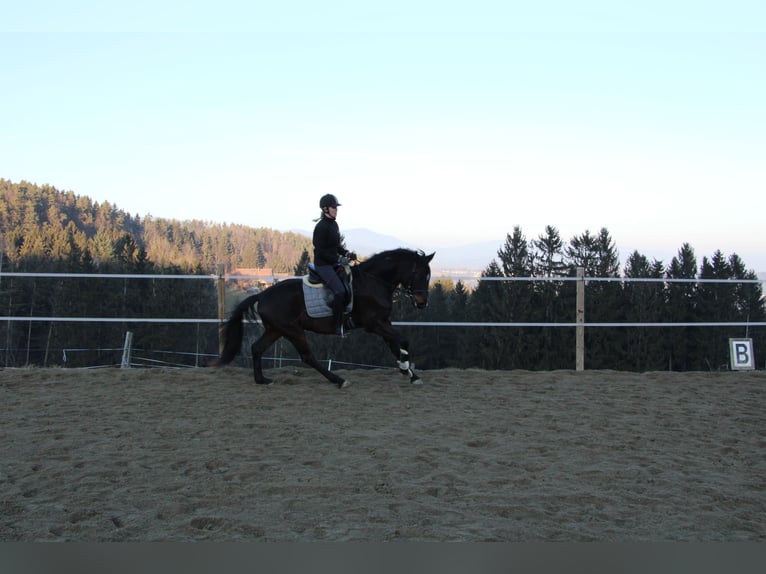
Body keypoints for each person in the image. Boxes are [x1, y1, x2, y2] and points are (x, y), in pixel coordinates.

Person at [312, 194, 356, 335]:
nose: (336, 210)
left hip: (332, 263)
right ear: (325, 209)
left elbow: (336, 246)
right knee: (339, 291)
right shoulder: (321, 227)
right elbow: (320, 252)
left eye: (336, 207)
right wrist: (336, 260)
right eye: (334, 207)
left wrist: (347, 253)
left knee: (349, 283)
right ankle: (336, 326)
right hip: (323, 265)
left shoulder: (334, 224)